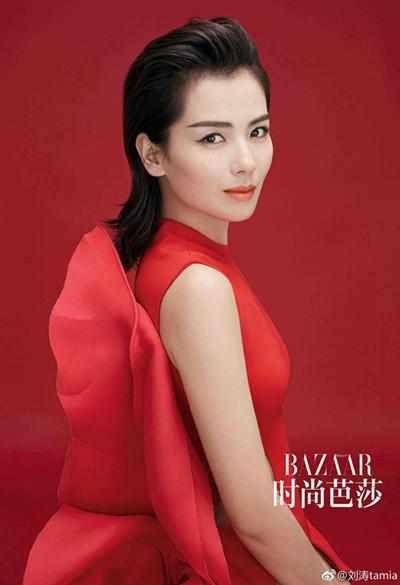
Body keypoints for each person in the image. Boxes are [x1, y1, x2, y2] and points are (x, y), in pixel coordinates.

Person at [23, 16, 351, 585]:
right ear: (152, 155)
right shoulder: (198, 286)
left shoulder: (164, 261)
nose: (246, 161)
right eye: (212, 138)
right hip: (230, 558)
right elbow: (252, 512)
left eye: (258, 131)